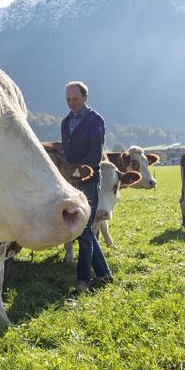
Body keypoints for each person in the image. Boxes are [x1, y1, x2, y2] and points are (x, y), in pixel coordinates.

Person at [61, 81, 113, 292]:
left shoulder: (95, 120)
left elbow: (95, 151)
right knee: (85, 231)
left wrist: (84, 170)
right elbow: (67, 151)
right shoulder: (65, 122)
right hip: (72, 180)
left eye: (75, 99)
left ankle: (83, 280)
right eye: (68, 100)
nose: (71, 104)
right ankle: (104, 274)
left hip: (89, 180)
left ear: (85, 98)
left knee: (83, 229)